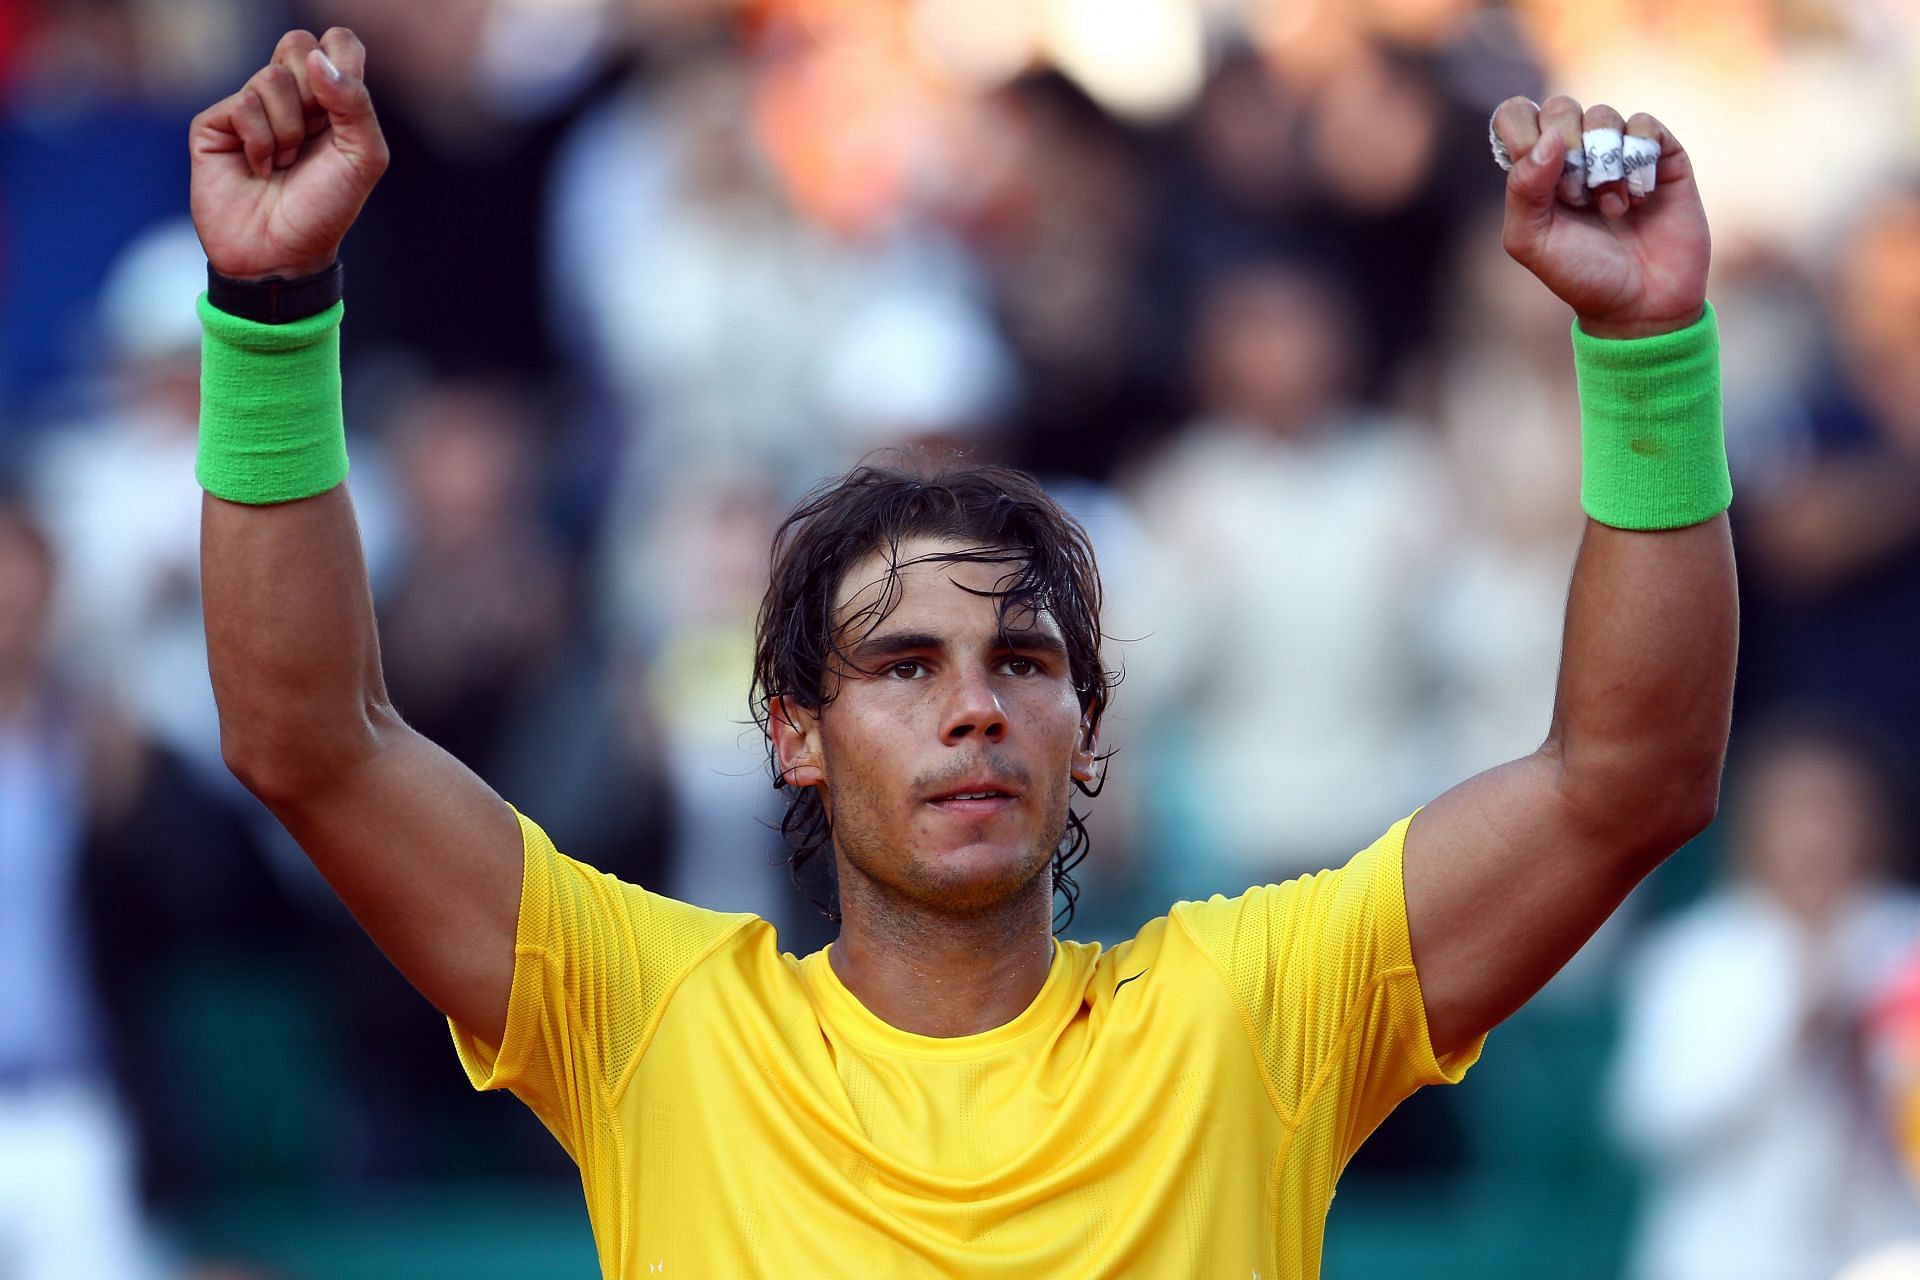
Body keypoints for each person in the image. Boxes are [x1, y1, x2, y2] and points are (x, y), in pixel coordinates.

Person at [190, 29, 1735, 1278]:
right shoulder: (649, 1022)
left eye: (1025, 663)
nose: (975, 707)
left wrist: (1651, 348)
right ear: (793, 731)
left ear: (1085, 723)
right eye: (902, 667)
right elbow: (309, 743)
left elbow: (1629, 782)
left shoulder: (1251, 1015)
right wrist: (269, 304)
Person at [1609, 716, 1920, 1279]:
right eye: (1795, 814)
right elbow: (1654, 1116)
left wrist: (1878, 1060)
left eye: (1834, 812)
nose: (1816, 838)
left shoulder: (1905, 942)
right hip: (1725, 1259)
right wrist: (1792, 1034)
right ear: (1756, 828)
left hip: (1886, 1250)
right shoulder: (1698, 954)